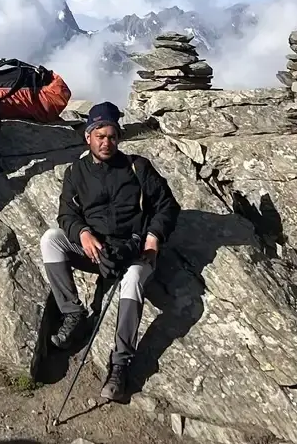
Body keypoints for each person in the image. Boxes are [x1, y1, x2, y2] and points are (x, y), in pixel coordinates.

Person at [41, 102, 180, 405]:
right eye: (100, 136)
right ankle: (72, 313)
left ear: (119, 138)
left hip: (135, 250)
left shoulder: (137, 167)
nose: (106, 143)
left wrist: (153, 240)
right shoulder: (77, 172)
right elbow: (65, 214)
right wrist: (83, 233)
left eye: (112, 136)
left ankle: (120, 364)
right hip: (96, 250)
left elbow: (167, 205)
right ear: (87, 137)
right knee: (51, 239)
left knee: (132, 283)